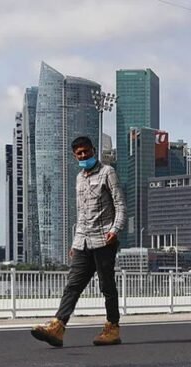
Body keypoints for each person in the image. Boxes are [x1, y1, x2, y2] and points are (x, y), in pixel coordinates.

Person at [31, 136, 125, 348]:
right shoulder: (79, 178)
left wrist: (115, 229)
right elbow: (81, 214)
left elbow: (120, 204)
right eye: (79, 154)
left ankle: (112, 327)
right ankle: (58, 326)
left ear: (93, 150)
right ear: (75, 156)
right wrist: (75, 242)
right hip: (83, 242)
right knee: (72, 285)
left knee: (107, 286)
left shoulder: (107, 172)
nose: (83, 156)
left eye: (86, 151)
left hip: (104, 241)